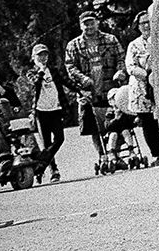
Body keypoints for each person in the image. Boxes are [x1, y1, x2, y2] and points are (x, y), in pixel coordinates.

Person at [65, 10, 127, 170]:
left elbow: (121, 57)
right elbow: (70, 66)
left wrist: (120, 71)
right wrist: (82, 79)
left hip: (110, 88)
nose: (89, 26)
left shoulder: (110, 39)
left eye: (91, 22)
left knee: (115, 122)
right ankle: (102, 155)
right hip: (88, 92)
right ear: (81, 25)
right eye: (86, 23)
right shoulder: (73, 45)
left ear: (97, 23)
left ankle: (116, 154)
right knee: (94, 126)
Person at [19, 43, 68, 183]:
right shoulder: (31, 72)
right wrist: (41, 70)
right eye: (40, 55)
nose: (43, 57)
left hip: (55, 109)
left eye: (45, 54)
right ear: (33, 57)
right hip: (41, 112)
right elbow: (36, 83)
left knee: (59, 139)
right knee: (46, 142)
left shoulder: (53, 70)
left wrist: (81, 90)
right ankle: (54, 171)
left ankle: (41, 164)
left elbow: (66, 82)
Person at [122, 11, 159, 165]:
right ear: (137, 26)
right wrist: (147, 74)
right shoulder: (134, 45)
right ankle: (156, 155)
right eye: (142, 23)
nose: (146, 25)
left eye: (149, 21)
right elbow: (130, 66)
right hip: (142, 88)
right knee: (148, 123)